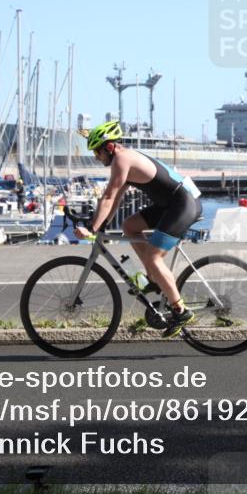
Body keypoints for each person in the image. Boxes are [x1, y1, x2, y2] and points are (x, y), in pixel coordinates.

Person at [74, 120, 202, 338]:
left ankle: (180, 310)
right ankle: (153, 279)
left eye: (97, 152)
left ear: (109, 147)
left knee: (154, 257)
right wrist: (101, 224)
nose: (96, 157)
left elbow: (108, 196)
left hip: (183, 205)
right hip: (170, 205)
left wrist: (92, 227)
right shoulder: (125, 159)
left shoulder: (122, 160)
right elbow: (115, 199)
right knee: (129, 226)